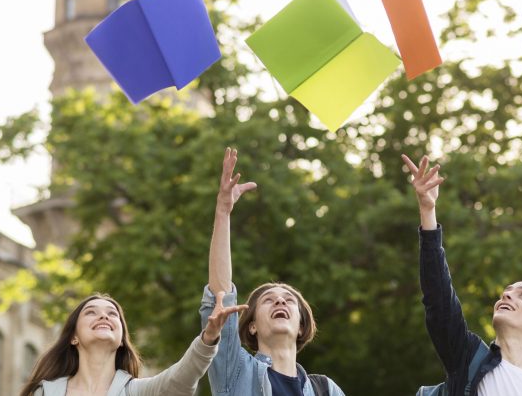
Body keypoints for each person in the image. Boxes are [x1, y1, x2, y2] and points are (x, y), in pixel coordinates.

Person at [403, 154, 522, 396]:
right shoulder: (467, 358)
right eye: (506, 292)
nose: (507, 296)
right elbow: (438, 298)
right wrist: (427, 210)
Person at [199, 147, 345, 396]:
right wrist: (223, 212)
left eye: (289, 300)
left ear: (301, 326)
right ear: (252, 326)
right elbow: (220, 296)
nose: (280, 300)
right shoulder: (235, 372)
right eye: (269, 300)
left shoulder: (326, 390)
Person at [21, 291, 242, 396]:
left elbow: (182, 378)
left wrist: (209, 338)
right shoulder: (45, 393)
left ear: (121, 341)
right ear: (73, 337)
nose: (104, 317)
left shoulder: (139, 392)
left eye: (112, 314)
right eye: (91, 312)